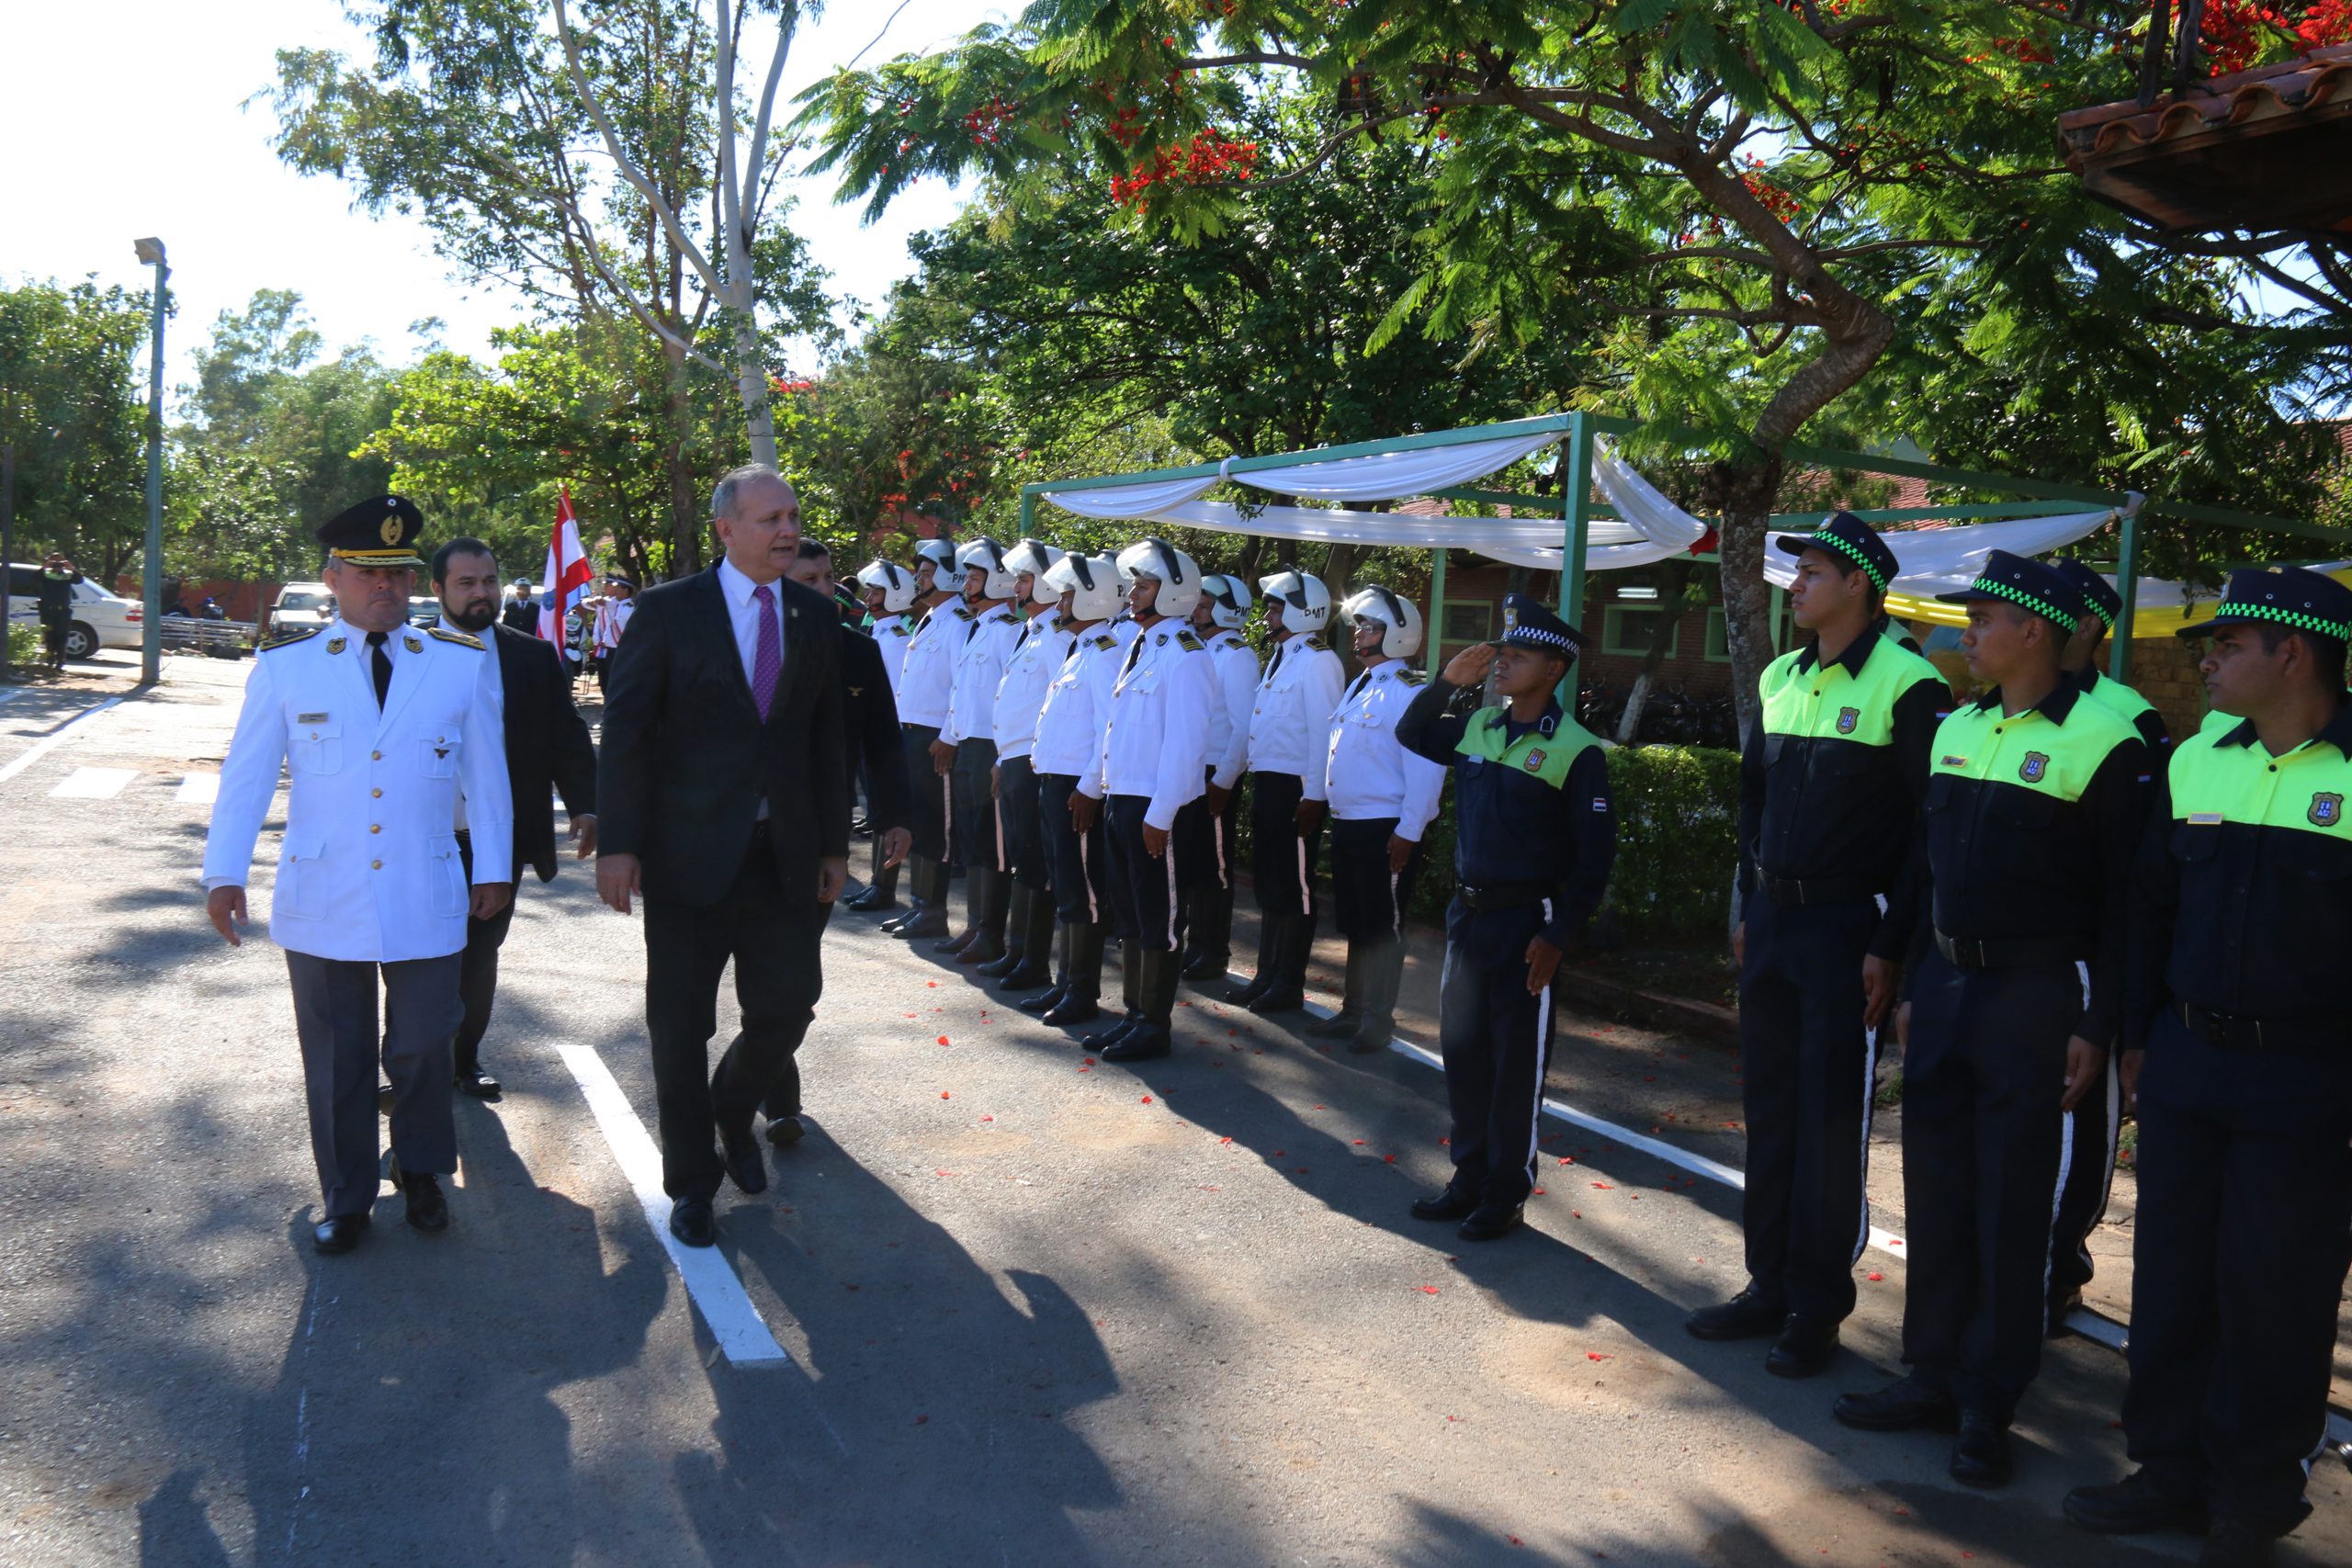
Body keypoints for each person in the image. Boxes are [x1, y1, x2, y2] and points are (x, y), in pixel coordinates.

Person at [1831, 550, 2146, 1490]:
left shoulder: (2108, 742)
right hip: (1949, 988)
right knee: (1936, 1191)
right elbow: (1925, 867)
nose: (1966, 636)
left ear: (2033, 631)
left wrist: (2098, 1022)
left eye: (1981, 622)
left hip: (2037, 997)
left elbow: (2131, 903)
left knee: (2011, 1207)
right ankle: (1929, 1373)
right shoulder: (1960, 728)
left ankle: (1987, 1402)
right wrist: (1904, 966)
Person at [2064, 566, 2352, 1568]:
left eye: (2228, 646)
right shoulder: (2196, 759)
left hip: (2309, 1077)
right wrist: (2136, 1035)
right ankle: (2167, 1469)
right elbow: (2149, 909)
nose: (2209, 662)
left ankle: (2252, 1498)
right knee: (2174, 1278)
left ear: (2293, 654)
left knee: (2277, 1291)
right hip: (2188, 1061)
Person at [200, 495, 514, 1254]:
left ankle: (422, 1170)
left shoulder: (456, 663)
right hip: (324, 891)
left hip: (425, 885)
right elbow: (246, 777)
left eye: (398, 574)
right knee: (337, 1054)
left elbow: (488, 777)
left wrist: (495, 866)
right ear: (333, 578)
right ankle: (345, 1195)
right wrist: (224, 871)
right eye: (370, 574)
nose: (387, 588)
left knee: (423, 1043)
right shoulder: (287, 667)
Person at [1685, 513, 1946, 1378]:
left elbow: (1928, 831)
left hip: (1848, 931)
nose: (1794, 585)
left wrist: (1892, 943)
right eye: (1796, 573)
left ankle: (1816, 1306)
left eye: (1813, 573)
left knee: (1829, 1125)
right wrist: (1748, 898)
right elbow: (1754, 799)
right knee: (1771, 1112)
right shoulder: (1783, 676)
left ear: (1859, 584)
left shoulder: (1910, 684)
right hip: (1775, 922)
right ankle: (1767, 1283)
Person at [594, 464, 850, 1248]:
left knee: (788, 1006)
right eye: (771, 518)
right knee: (679, 1027)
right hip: (686, 858)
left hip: (784, 856)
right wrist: (619, 843)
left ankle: (732, 1110)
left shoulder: (816, 614)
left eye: (793, 516)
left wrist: (834, 844)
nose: (788, 530)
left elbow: (828, 740)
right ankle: (692, 1184)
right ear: (726, 528)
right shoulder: (669, 611)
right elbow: (627, 730)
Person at [1396, 595, 1614, 1243]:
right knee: (1464, 1055)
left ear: (1554, 668)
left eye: (1519, 655)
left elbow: (1594, 858)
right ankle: (1468, 1178)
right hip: (1467, 916)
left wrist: (1558, 935)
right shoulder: (1479, 727)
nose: (1502, 661)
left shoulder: (1576, 750)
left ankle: (1505, 1192)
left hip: (1525, 924)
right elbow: (1412, 733)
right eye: (1503, 651)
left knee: (1515, 1066)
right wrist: (1446, 684)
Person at [2044, 554, 2172, 1329]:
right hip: (2019, 964)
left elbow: (2140, 866)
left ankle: (2063, 1263)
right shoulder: (2000, 704)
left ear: (2088, 623)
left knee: (2083, 1122)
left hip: (2094, 962)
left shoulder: (2131, 718)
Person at [424, 536, 599, 1100]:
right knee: (414, 956)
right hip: (421, 838)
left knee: (478, 957)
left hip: (498, 842)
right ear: (438, 589)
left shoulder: (531, 656)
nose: (482, 593)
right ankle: (407, 1063)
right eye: (467, 583)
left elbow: (565, 734)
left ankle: (463, 1060)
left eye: (489, 581)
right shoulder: (408, 654)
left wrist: (586, 804)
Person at [759, 537, 913, 1145]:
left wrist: (895, 815)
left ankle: (758, 1075)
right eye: (811, 580)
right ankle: (778, 1100)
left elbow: (883, 742)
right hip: (745, 838)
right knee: (766, 974)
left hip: (821, 843)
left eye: (829, 578)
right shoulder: (750, 647)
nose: (827, 590)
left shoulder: (858, 651)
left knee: (797, 981)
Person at [1075, 537, 1216, 1062]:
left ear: (1174, 591)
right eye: (1134, 585)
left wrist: (1162, 814)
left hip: (1159, 806)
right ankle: (1134, 1015)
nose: (1133, 593)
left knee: (1161, 916)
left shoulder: (1186, 656)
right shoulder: (1142, 647)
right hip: (1123, 797)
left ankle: (1154, 1026)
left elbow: (1186, 744)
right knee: (1130, 914)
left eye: (1144, 585)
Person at [1311, 587, 1447, 1055]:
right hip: (1350, 823)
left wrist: (1409, 831)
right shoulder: (1361, 684)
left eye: (1370, 628)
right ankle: (1353, 1010)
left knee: (1382, 926)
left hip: (1385, 828)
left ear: (1398, 635)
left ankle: (1377, 1018)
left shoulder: (1411, 692)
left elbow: (1427, 770)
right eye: (1359, 626)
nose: (1359, 635)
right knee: (1357, 922)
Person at [1227, 569, 1347, 1014]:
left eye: (1277, 609)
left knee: (1294, 887)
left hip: (1296, 788)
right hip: (1270, 782)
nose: (1269, 617)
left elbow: (1323, 735)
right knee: (1271, 885)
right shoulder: (1284, 656)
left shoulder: (1318, 661)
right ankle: (1266, 975)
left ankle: (1288, 982)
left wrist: (1315, 795)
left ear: (1302, 612)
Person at [1024, 552, 1126, 1028]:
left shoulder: (1105, 653)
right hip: (1055, 781)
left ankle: (1081, 991)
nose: (1060, 603)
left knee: (1082, 891)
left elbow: (1109, 728)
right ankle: (1067, 981)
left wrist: (1090, 788)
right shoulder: (1081, 649)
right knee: (1065, 885)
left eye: (1067, 596)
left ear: (1091, 599)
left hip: (1077, 789)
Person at [979, 538, 1072, 990]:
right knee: (1021, 858)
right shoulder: (1033, 630)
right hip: (1015, 759)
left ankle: (1033, 961)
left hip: (1036, 763)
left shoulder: (1056, 635)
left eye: (1024, 579)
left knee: (1036, 863)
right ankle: (1017, 952)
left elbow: (1058, 706)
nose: (1016, 588)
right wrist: (1001, 758)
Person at [932, 537, 1027, 964]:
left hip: (991, 746)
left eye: (974, 578)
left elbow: (1011, 698)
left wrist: (1001, 757)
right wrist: (951, 736)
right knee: (972, 839)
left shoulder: (1008, 631)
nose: (967, 584)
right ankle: (974, 925)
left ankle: (991, 933)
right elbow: (961, 693)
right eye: (968, 577)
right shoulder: (978, 627)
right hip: (969, 744)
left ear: (998, 582)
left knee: (994, 846)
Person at [884, 538, 965, 941]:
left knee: (936, 826)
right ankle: (919, 905)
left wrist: (948, 735)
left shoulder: (959, 623)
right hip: (913, 734)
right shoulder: (930, 618)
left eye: (928, 573)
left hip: (935, 738)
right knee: (917, 820)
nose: (919, 580)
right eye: (920, 573)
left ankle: (933, 910)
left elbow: (961, 687)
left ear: (949, 576)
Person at [1181, 574, 1259, 982]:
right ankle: (1194, 945)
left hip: (1216, 772)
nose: (1196, 611)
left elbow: (1243, 728)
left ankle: (1213, 952)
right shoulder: (1200, 649)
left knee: (1215, 867)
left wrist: (1224, 781)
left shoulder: (1237, 655)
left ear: (1228, 611)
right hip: (1192, 768)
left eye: (1205, 606)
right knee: (1193, 862)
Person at [847, 558, 922, 912]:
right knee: (877, 810)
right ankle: (878, 883)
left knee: (885, 810)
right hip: (868, 734)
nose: (869, 598)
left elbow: (888, 695)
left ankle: (884, 887)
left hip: (885, 735)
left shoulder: (894, 639)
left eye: (876, 592)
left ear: (893, 595)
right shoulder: (879, 631)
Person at [590, 576, 637, 692]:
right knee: (607, 682)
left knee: (618, 681)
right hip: (611, 649)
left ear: (625, 590)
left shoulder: (629, 608)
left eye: (618, 588)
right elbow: (600, 601)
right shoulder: (616, 604)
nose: (615, 590)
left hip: (622, 649)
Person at [36, 555, 79, 671]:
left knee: (62, 637)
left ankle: (60, 662)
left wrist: (72, 568)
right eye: (55, 564)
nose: (57, 566)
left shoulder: (67, 576)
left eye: (60, 564)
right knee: (49, 637)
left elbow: (79, 580)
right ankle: (50, 661)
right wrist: (44, 567)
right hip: (48, 611)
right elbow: (35, 579)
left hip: (63, 611)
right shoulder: (46, 575)